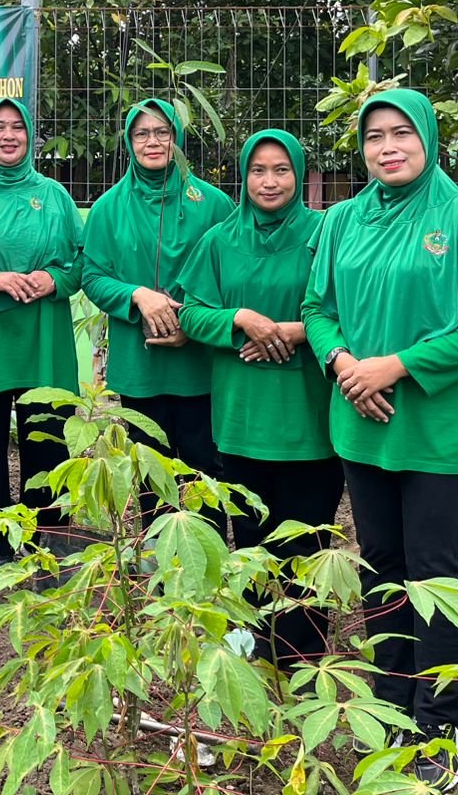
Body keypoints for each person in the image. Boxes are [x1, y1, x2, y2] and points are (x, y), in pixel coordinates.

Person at [303, 89, 458, 791]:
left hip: (441, 429)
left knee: (435, 572)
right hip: (362, 423)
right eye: (374, 137)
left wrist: (394, 366)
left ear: (427, 139)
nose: (388, 146)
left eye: (401, 133)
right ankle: (391, 700)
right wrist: (343, 365)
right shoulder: (340, 221)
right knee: (380, 563)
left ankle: (437, 718)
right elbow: (317, 307)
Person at [178, 129, 336, 665]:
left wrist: (294, 331)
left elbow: (345, 310)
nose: (269, 182)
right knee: (249, 535)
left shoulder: (326, 233)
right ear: (243, 178)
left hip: (309, 414)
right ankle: (252, 647)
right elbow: (192, 312)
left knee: (308, 536)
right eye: (258, 171)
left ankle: (304, 649)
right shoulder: (221, 240)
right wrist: (239, 318)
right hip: (242, 414)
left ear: (299, 174)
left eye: (281, 170)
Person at [82, 98, 232, 528]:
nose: (153, 141)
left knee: (206, 466)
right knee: (152, 471)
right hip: (140, 364)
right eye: (142, 133)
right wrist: (138, 297)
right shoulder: (109, 208)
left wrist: (191, 320)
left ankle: (212, 562)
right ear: (129, 142)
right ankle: (162, 566)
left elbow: (229, 273)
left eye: (163, 132)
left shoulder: (213, 204)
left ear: (178, 139)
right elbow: (93, 276)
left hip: (199, 361)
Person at [0, 97, 83, 566]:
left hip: (42, 333)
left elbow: (83, 263)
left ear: (29, 136)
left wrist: (53, 279)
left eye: (17, 127)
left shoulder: (54, 195)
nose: (9, 135)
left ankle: (50, 538)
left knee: (46, 437)